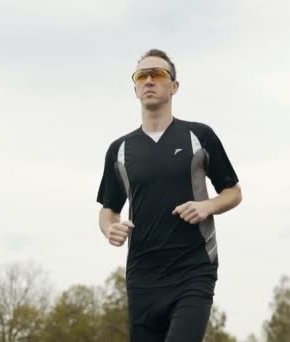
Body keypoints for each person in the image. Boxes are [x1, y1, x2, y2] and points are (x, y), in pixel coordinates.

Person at [96, 49, 243, 341]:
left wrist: (207, 206)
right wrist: (109, 229)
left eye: (158, 74)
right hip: (142, 277)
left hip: (194, 270)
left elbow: (233, 192)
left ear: (174, 86)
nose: (149, 80)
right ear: (135, 88)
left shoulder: (199, 136)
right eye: (142, 75)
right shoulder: (120, 150)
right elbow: (108, 210)